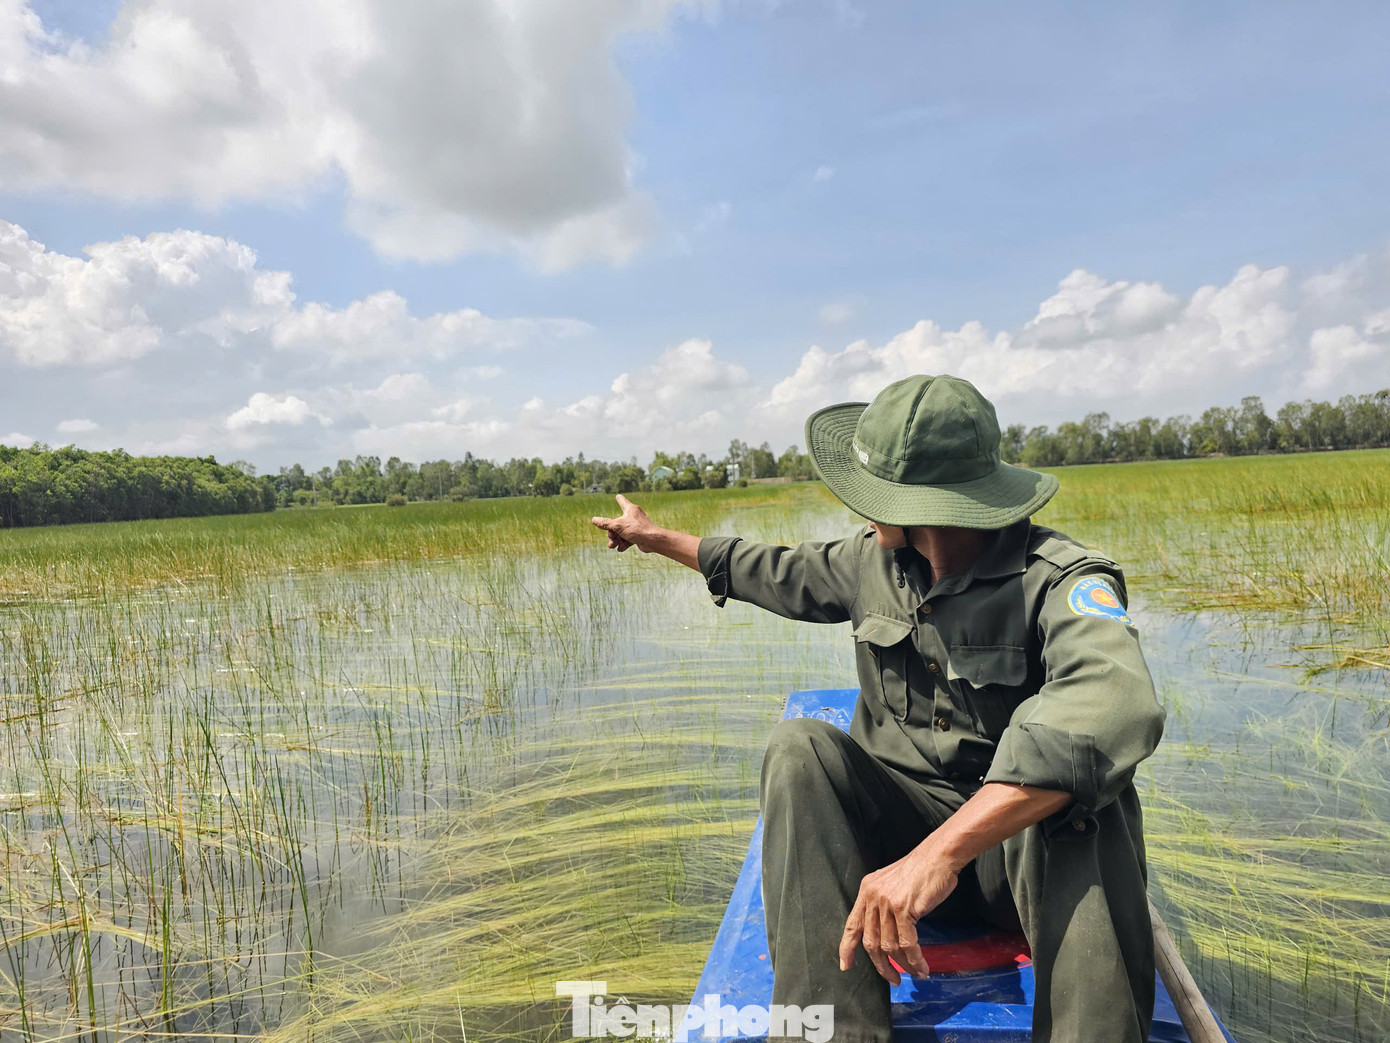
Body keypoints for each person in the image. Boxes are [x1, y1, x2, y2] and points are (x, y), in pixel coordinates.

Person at [591, 374, 1166, 1043]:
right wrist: (654, 537)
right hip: (893, 840)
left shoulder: (1059, 578)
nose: (859, 508)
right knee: (798, 748)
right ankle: (833, 1031)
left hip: (1014, 863)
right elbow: (769, 569)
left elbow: (1116, 704)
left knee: (1090, 800)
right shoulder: (873, 562)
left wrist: (943, 854)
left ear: (925, 505)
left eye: (873, 494)